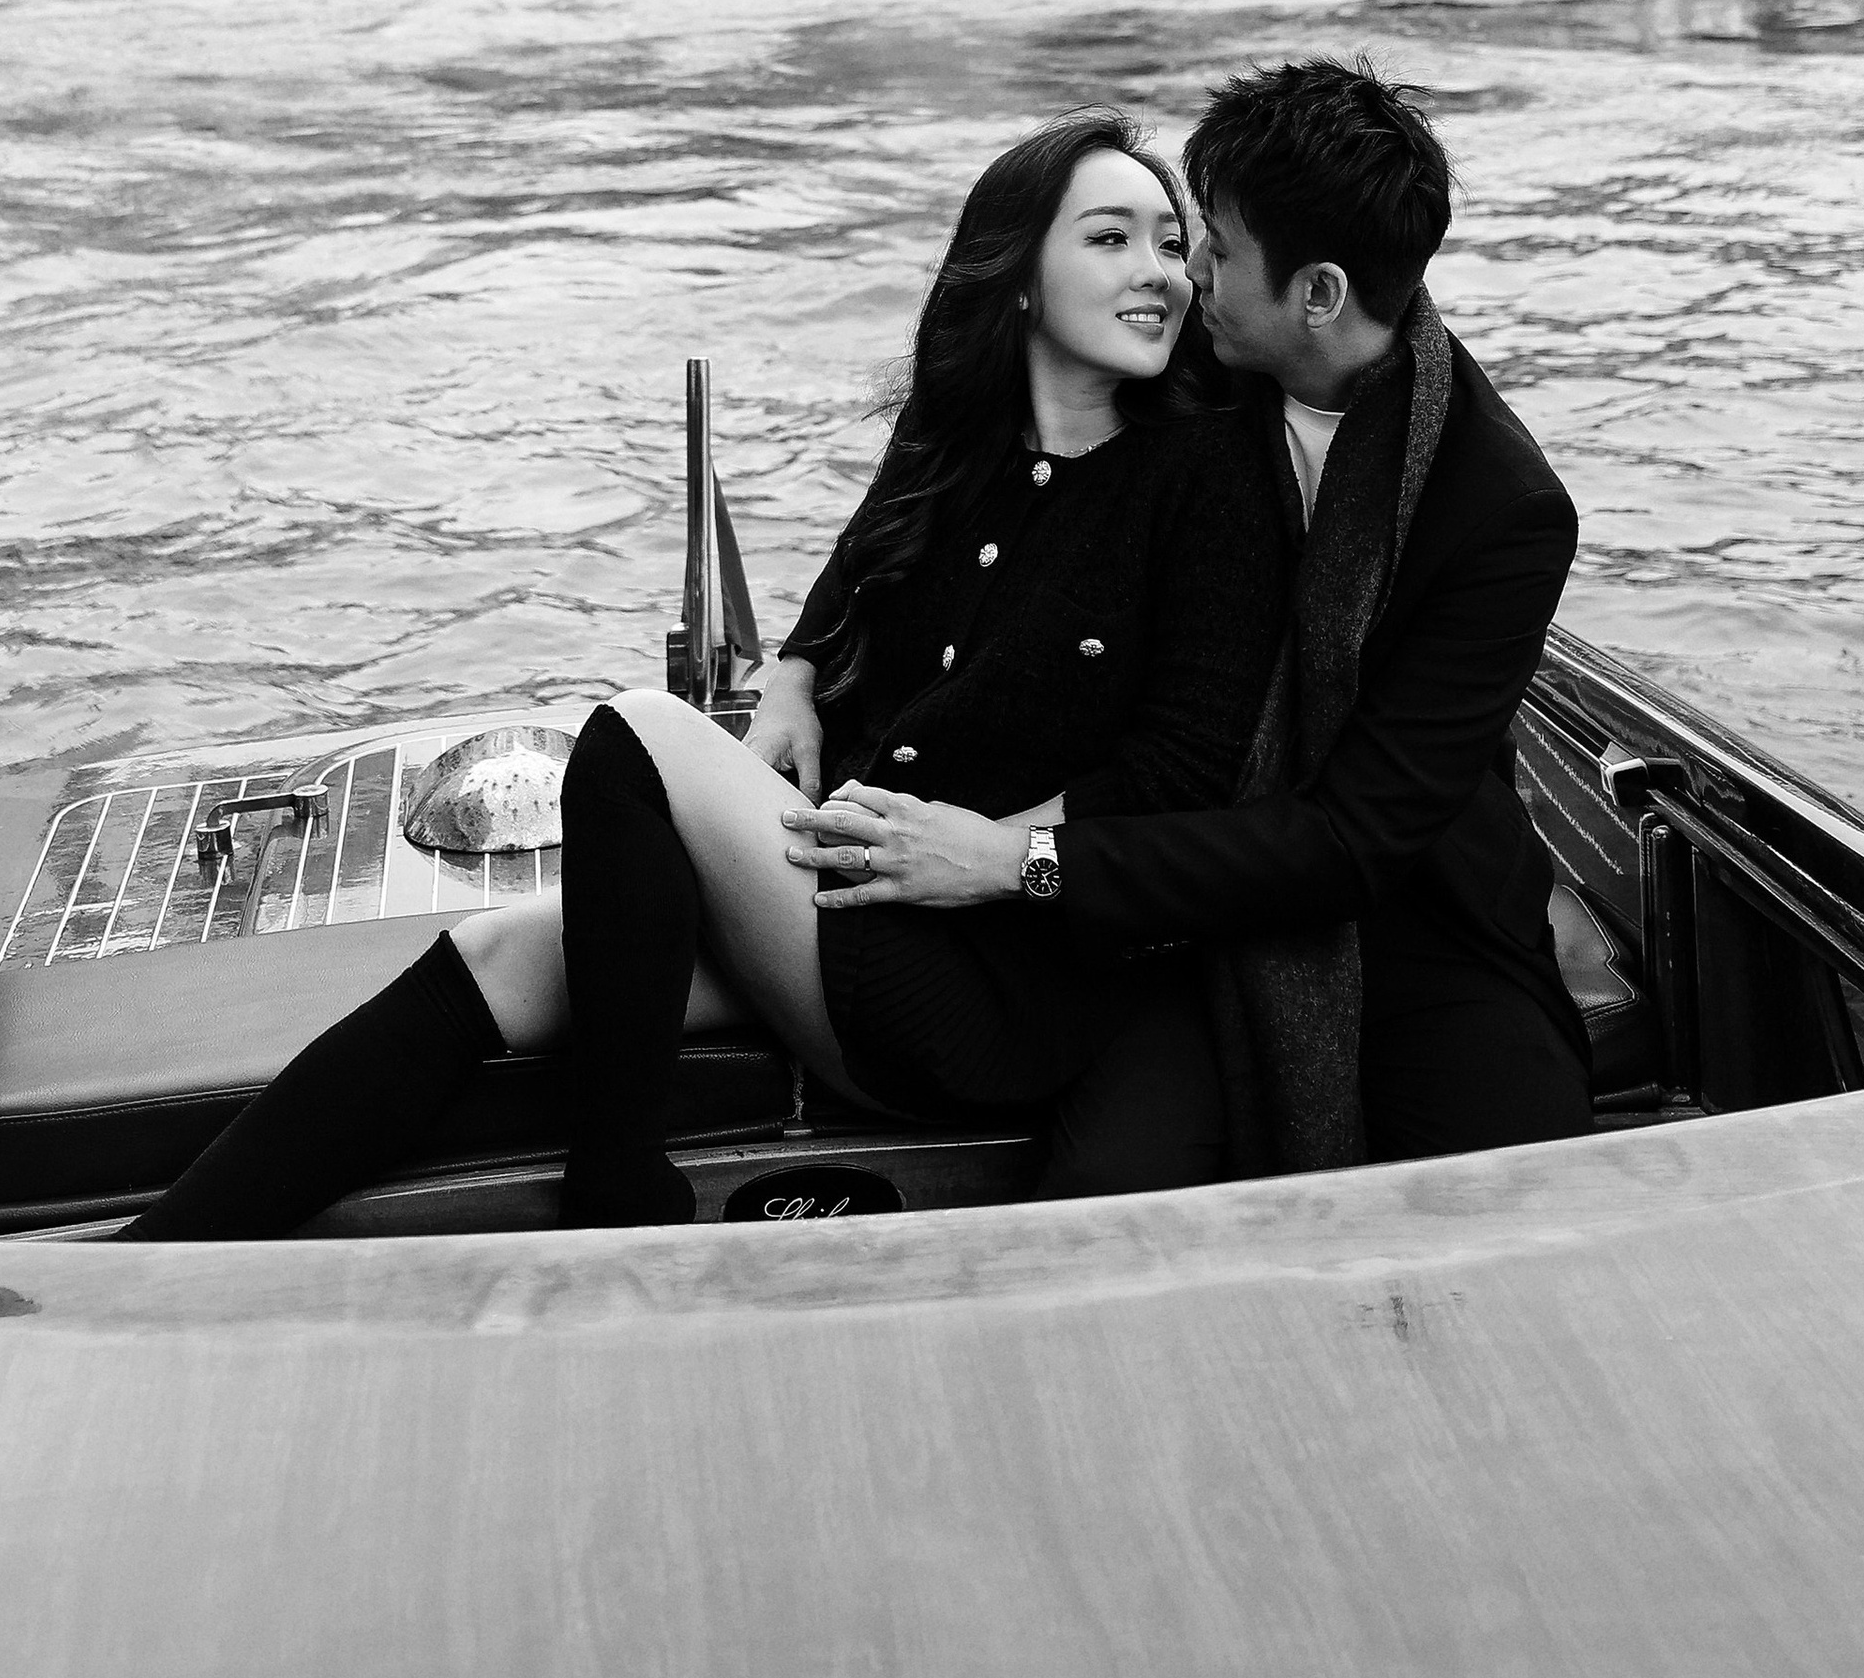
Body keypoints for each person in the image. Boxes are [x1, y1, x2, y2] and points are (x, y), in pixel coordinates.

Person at [124, 112, 1283, 1239]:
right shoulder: (956, 436)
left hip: (992, 970)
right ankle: (145, 1264)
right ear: (1018, 274)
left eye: (1172, 242)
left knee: (635, 730)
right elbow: (854, 577)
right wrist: (789, 671)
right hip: (868, 900)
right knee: (507, 954)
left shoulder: (1202, 475)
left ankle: (619, 1189)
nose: (1162, 272)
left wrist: (979, 858)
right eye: (1111, 236)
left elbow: (1184, 767)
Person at [785, 58, 1592, 1173]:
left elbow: (1351, 840)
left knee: (1501, 1186)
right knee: (1103, 1189)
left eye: (1205, 246)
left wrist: (1019, 858)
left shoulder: (1498, 507)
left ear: (1316, 294)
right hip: (1157, 886)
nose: (1180, 274)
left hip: (1401, 906)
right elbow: (944, 461)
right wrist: (797, 659)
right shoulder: (1209, 354)